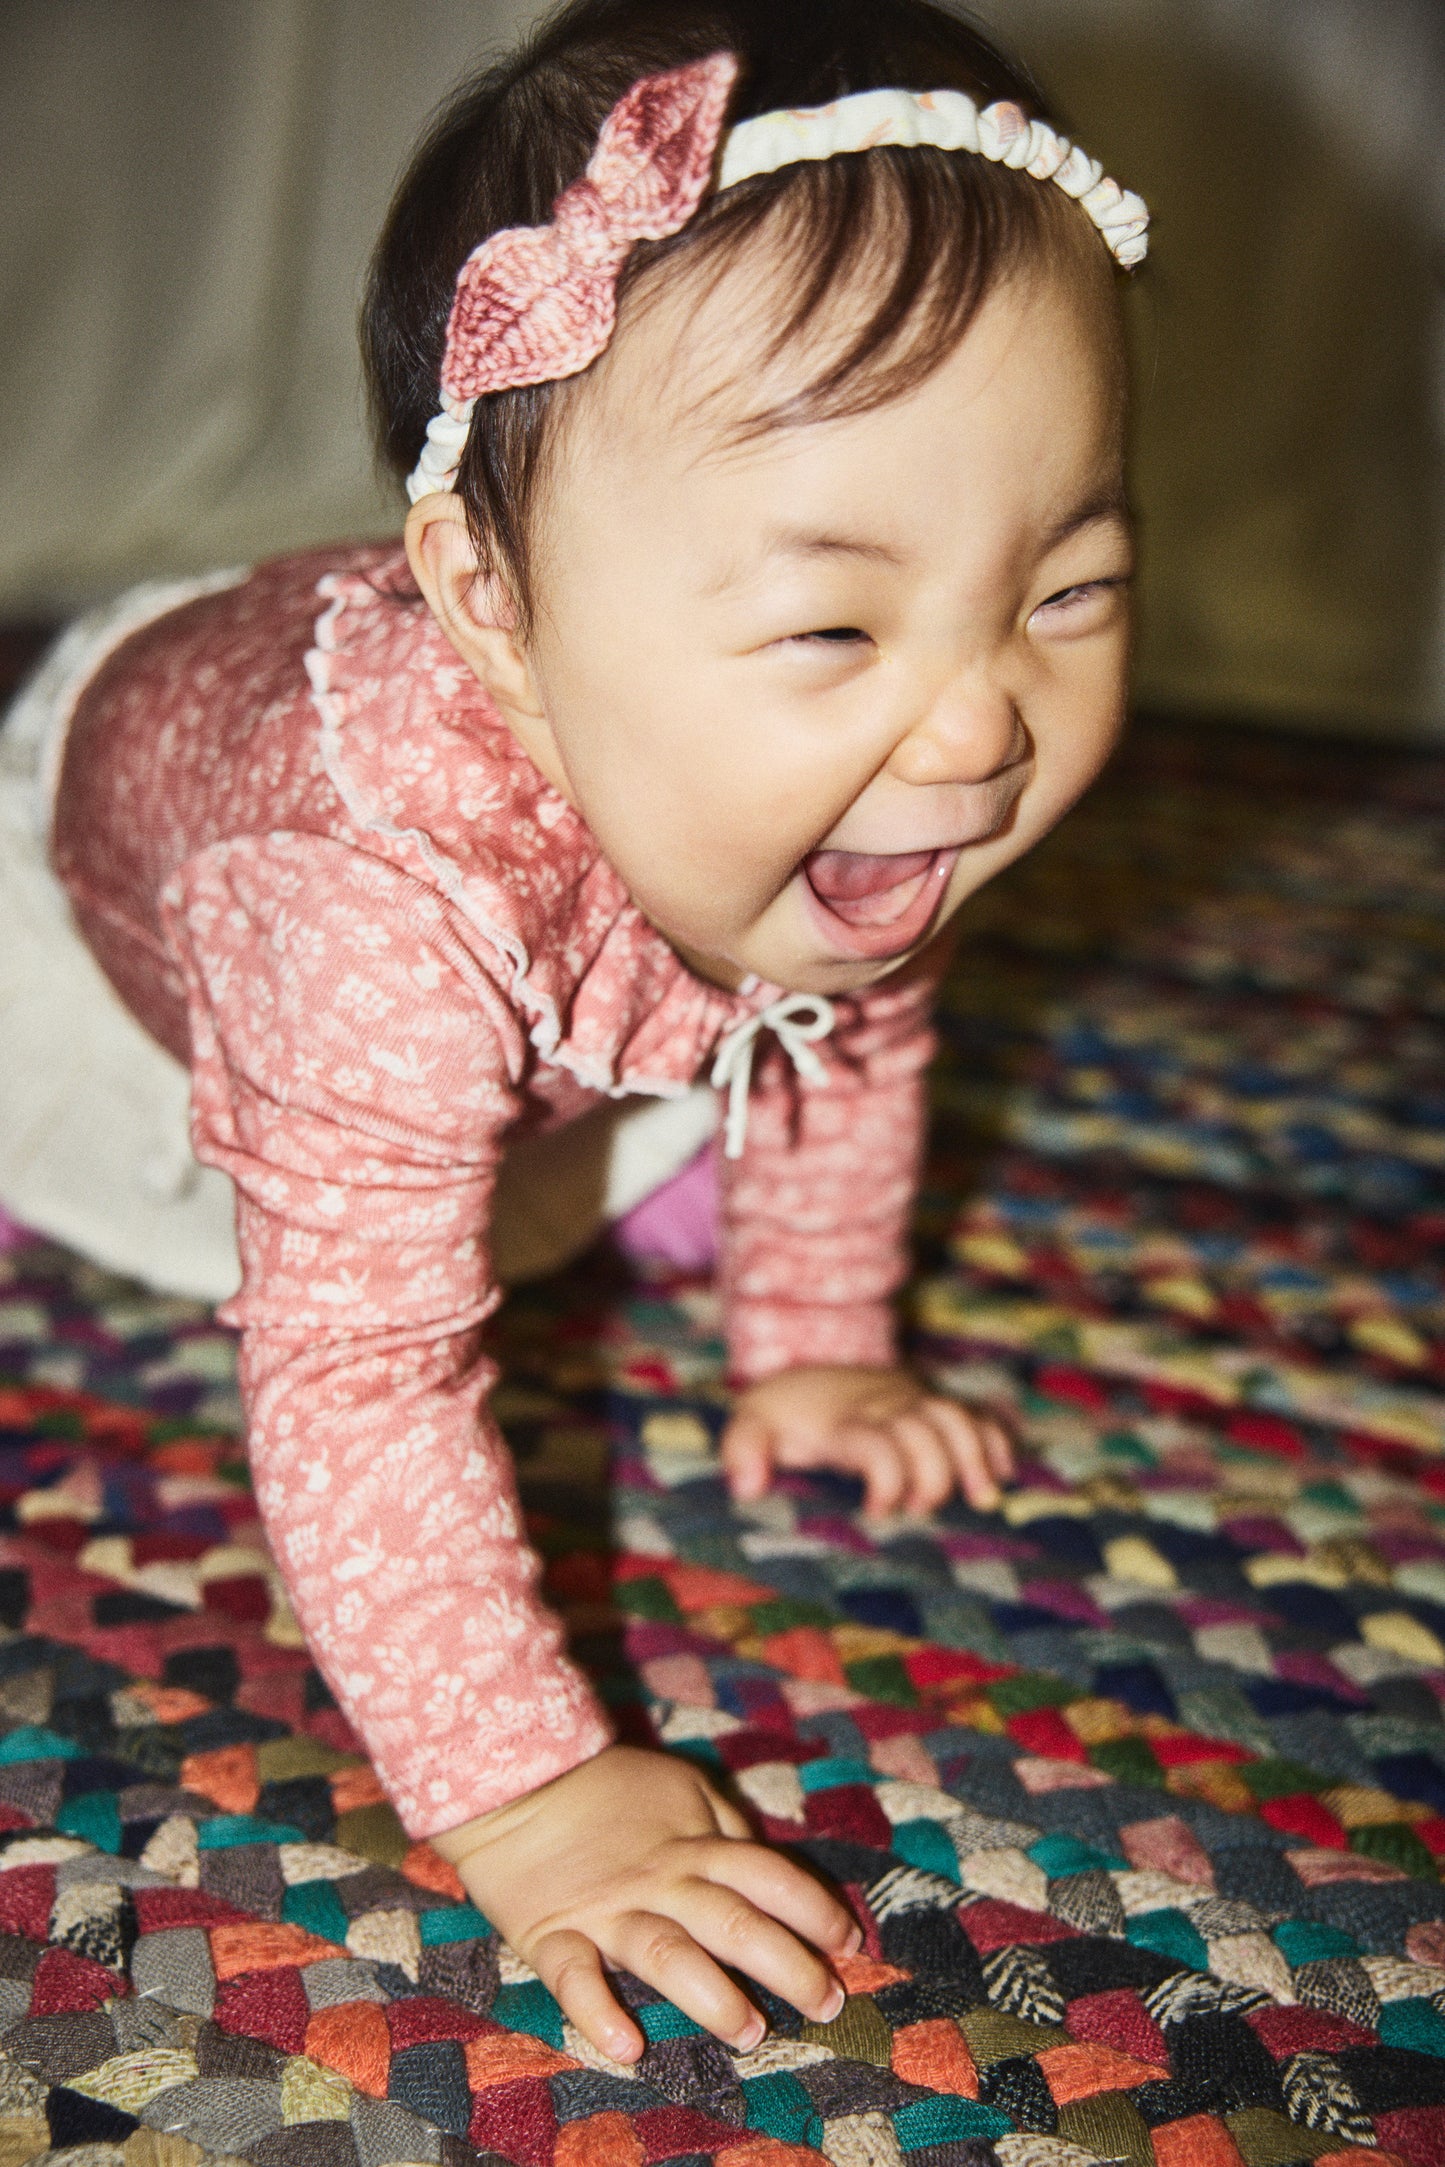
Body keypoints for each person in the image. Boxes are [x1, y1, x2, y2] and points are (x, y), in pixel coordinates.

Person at [6, 0, 1146, 2066]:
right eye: (836, 623)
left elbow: (854, 1021)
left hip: (520, 804)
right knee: (345, 1205)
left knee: (800, 928)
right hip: (137, 875)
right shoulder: (354, 906)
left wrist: (820, 1337)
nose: (981, 725)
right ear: (499, 610)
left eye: (1068, 586)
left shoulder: (866, 766)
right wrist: (526, 1794)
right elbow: (356, 1371)